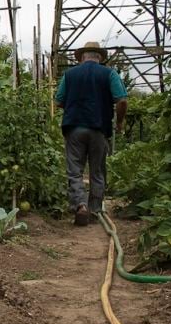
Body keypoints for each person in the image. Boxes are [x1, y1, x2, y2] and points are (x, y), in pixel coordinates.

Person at [55, 41, 128, 226]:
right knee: (97, 171)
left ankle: (80, 206)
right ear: (100, 58)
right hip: (99, 128)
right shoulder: (109, 73)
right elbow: (122, 101)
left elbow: (59, 101)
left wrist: (74, 107)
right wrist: (119, 122)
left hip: (74, 128)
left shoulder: (69, 75)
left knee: (75, 170)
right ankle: (95, 211)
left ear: (81, 58)